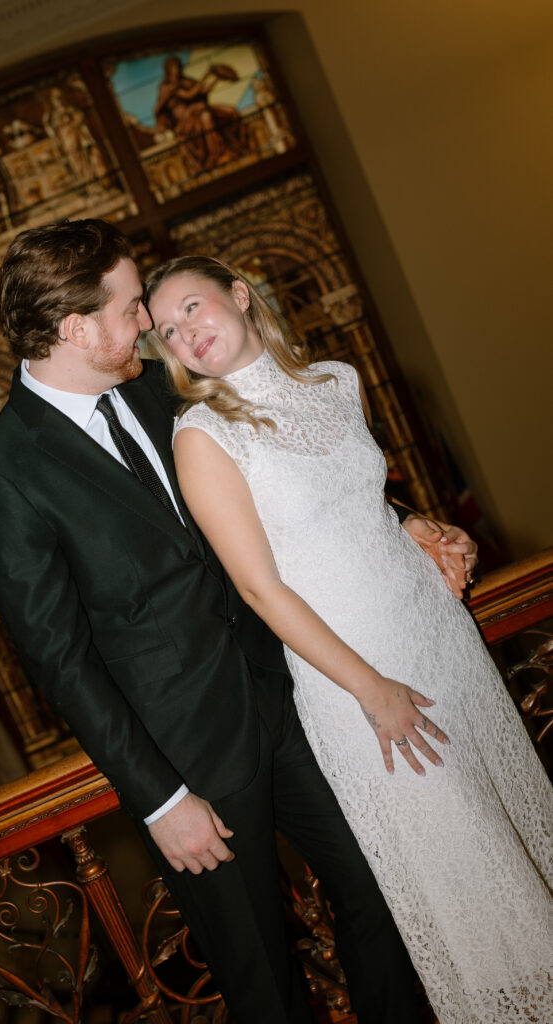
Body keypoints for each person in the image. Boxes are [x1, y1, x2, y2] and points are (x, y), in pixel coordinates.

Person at [0, 219, 475, 1024]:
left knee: (383, 894)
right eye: (132, 308)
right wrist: (160, 800)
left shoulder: (161, 389)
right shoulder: (0, 475)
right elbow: (60, 661)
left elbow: (286, 488)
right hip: (185, 761)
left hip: (291, 702)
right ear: (75, 328)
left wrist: (407, 522)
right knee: (263, 982)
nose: (148, 323)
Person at [145, 254, 553, 1024]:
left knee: (512, 833)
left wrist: (428, 528)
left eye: (192, 308)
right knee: (467, 883)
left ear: (240, 295)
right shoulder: (201, 435)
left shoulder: (336, 380)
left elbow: (361, 506)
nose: (184, 334)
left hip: (437, 635)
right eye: (166, 330)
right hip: (359, 682)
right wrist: (370, 690)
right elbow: (259, 588)